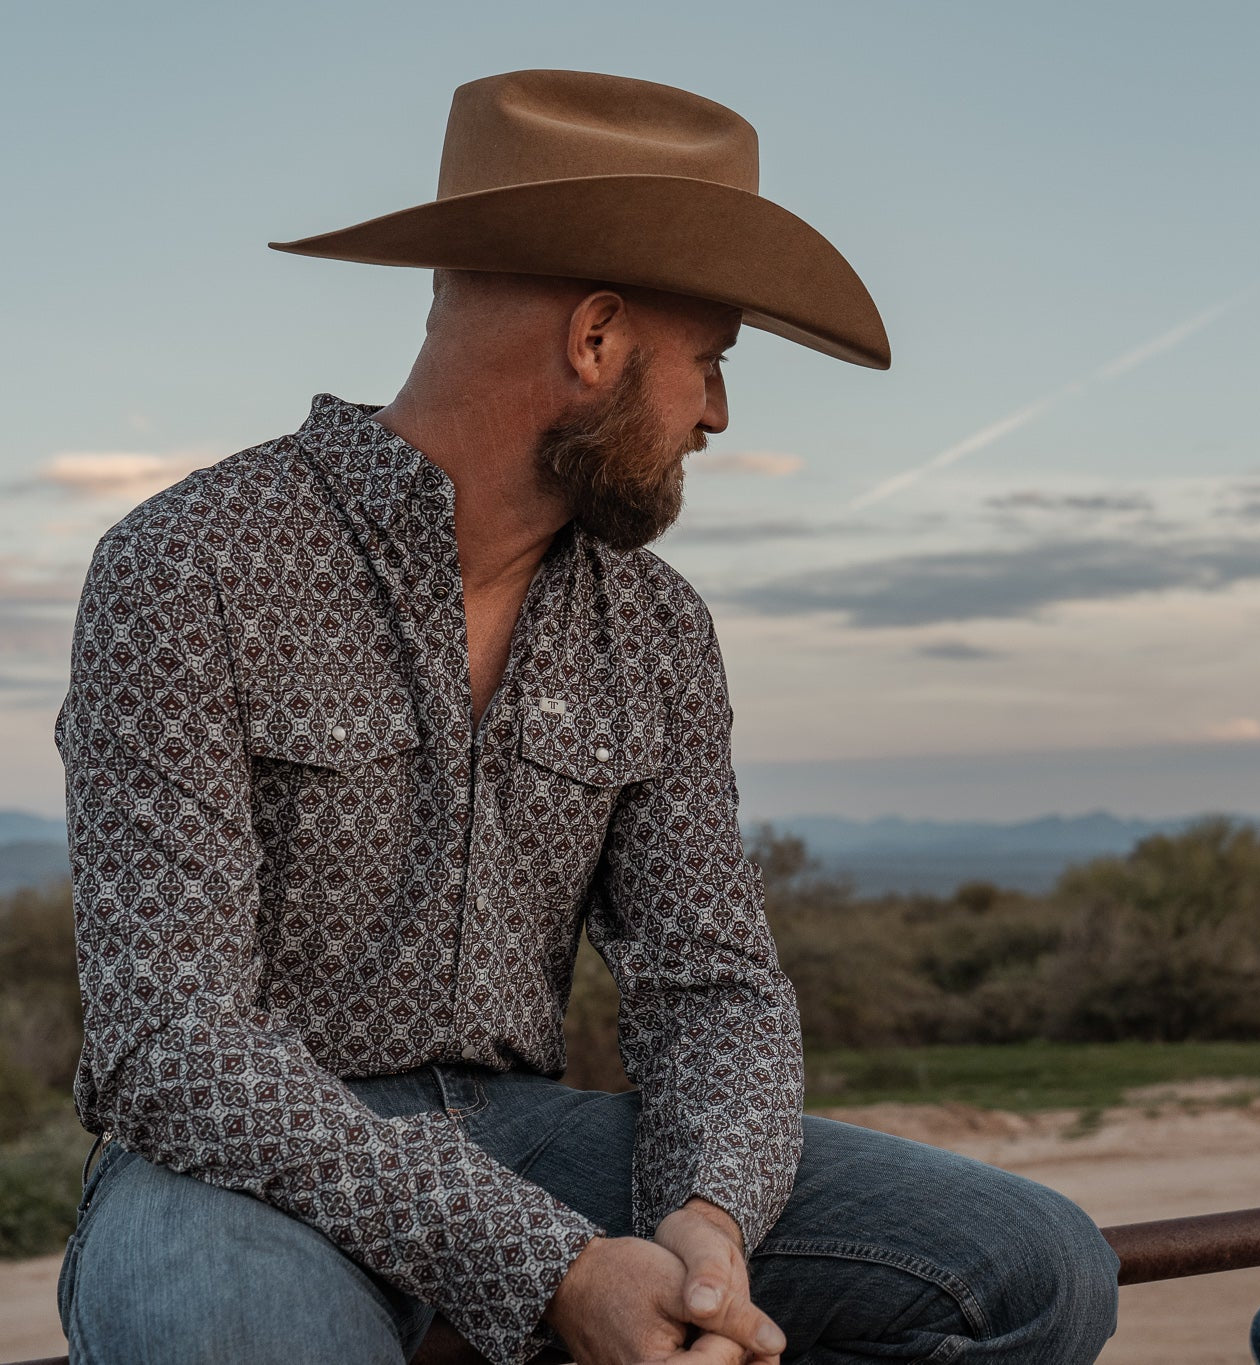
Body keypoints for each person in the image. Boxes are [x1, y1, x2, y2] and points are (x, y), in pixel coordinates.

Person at [54, 69, 1119, 1365]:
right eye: (710, 361)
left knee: (1034, 1270)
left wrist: (708, 1220)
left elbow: (711, 983)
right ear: (597, 338)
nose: (717, 412)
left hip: (529, 1129)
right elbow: (172, 1045)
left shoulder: (656, 626)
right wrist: (548, 1263)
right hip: (232, 1162)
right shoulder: (191, 564)